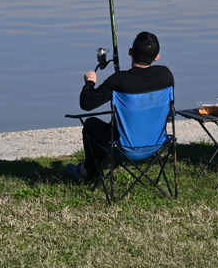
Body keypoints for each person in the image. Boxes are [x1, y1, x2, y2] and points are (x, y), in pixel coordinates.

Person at [65, 31, 174, 183]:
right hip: (157, 144)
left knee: (91, 124)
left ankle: (89, 172)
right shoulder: (166, 75)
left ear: (130, 52)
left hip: (124, 148)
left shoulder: (119, 80)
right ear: (157, 57)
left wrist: (90, 81)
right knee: (111, 128)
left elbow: (86, 104)